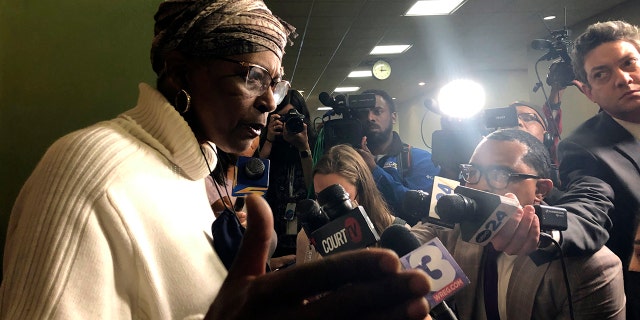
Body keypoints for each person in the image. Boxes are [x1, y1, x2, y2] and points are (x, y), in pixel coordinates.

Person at [0, 1, 433, 319]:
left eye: (277, 84)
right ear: (180, 72)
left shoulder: (201, 168)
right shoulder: (91, 172)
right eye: (252, 76)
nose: (269, 102)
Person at [412, 129, 626, 319]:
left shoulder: (591, 269)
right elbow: (406, 244)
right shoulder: (451, 230)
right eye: (472, 172)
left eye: (500, 175)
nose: (480, 186)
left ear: (540, 190)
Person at [558, 20, 640, 318]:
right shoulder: (582, 149)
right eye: (602, 74)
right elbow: (588, 205)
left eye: (629, 63)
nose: (623, 79)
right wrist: (549, 231)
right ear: (587, 91)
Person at [296, 144, 408, 263]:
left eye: (337, 199)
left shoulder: (397, 233)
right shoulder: (306, 237)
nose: (327, 210)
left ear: (362, 191)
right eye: (320, 198)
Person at [357, 89, 440, 225]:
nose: (370, 118)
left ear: (393, 117)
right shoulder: (352, 159)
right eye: (364, 113)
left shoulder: (422, 158)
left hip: (408, 241)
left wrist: (373, 170)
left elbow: (419, 206)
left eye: (377, 111)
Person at [259, 89, 314, 257]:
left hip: (307, 237)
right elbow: (251, 184)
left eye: (294, 119)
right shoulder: (268, 147)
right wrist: (268, 140)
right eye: (283, 119)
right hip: (273, 237)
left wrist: (303, 148)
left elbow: (315, 187)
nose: (289, 125)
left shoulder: (315, 146)